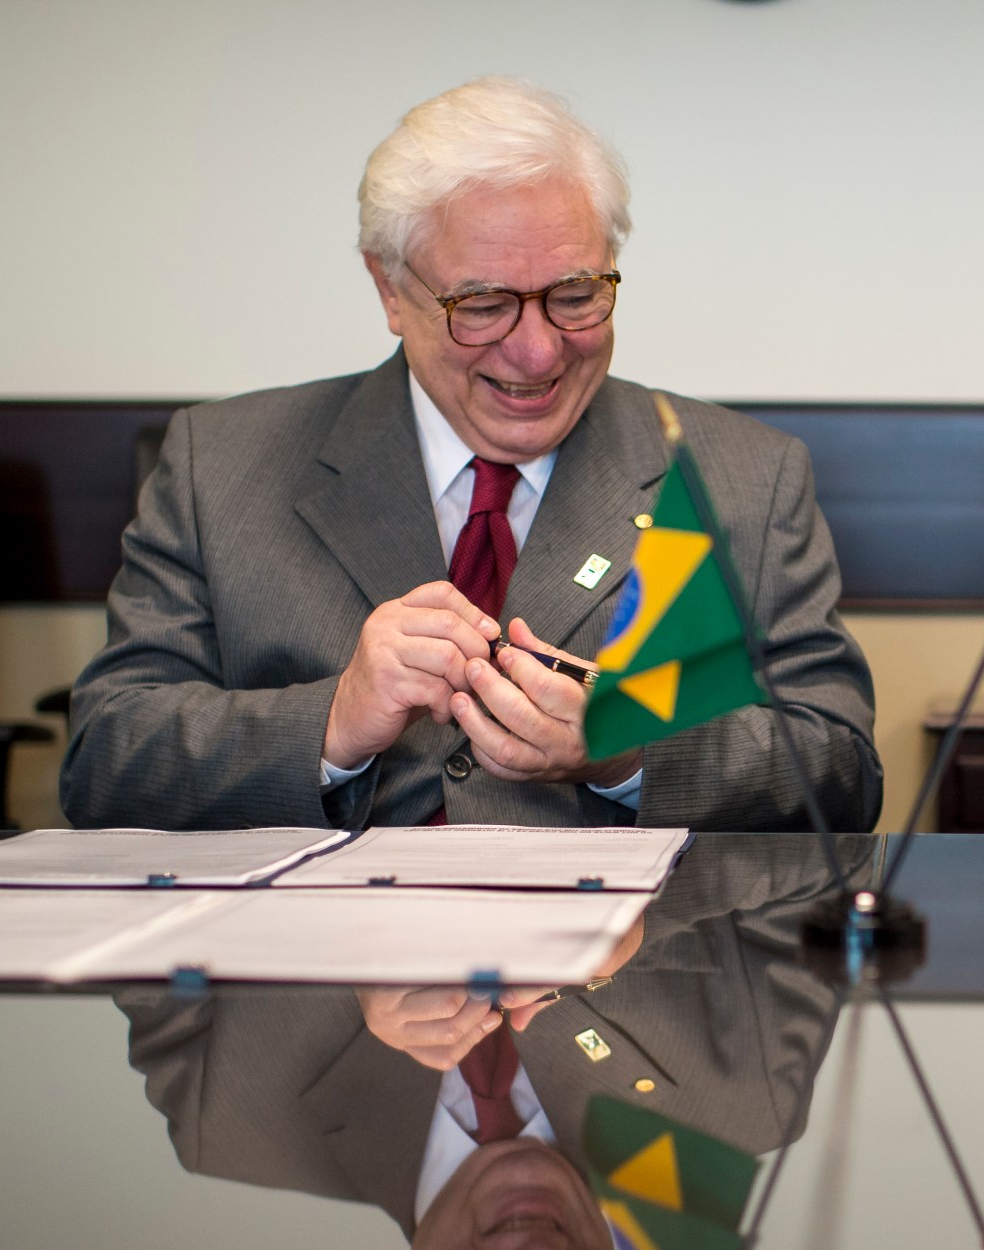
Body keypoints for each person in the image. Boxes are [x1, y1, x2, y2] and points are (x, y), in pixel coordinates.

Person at [63, 76, 880, 833]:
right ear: (390, 290)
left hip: (623, 975)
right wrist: (334, 723)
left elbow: (841, 774)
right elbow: (105, 759)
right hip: (325, 976)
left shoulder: (743, 478)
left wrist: (629, 750)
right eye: (482, 305)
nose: (537, 352)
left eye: (574, 296)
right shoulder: (222, 464)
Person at [122, 835, 856, 1250]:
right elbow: (843, 844)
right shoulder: (744, 1097)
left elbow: (127, 844)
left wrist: (344, 949)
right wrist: (646, 911)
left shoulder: (221, 1112)